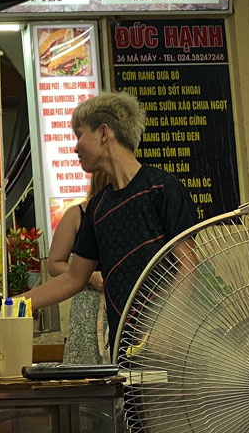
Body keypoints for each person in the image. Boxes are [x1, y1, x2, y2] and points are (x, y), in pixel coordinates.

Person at [25, 92, 197, 344]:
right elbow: (74, 278)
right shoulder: (97, 209)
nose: (75, 147)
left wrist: (166, 325)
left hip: (172, 345)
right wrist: (13, 305)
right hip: (123, 347)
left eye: (79, 134)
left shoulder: (162, 188)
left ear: (104, 133)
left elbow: (188, 264)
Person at [46, 169, 110, 364]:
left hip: (124, 302)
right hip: (87, 304)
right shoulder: (77, 214)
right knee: (85, 365)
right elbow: (54, 264)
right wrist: (90, 276)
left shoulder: (131, 215)